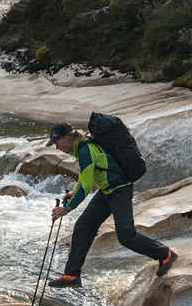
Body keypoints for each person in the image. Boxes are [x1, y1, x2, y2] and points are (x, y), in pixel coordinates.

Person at [45, 122, 176, 287]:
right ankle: (72, 275)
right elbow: (88, 177)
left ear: (66, 138)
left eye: (57, 143)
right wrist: (73, 193)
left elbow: (85, 187)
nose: (57, 148)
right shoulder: (81, 148)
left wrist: (67, 209)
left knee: (126, 235)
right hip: (107, 191)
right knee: (83, 227)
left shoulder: (85, 150)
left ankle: (165, 254)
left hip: (120, 189)